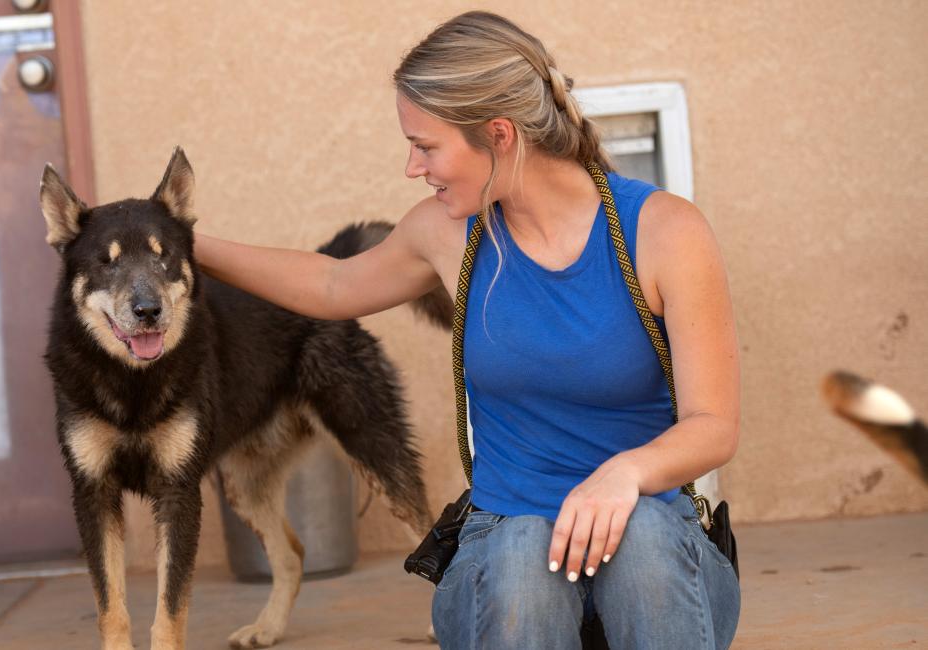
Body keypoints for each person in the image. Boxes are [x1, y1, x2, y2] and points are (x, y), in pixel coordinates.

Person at [194, 10, 740, 649]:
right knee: (523, 552)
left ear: (500, 134)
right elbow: (333, 286)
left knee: (643, 535)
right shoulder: (448, 232)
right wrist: (183, 242)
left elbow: (714, 424)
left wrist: (625, 474)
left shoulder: (664, 232)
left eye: (425, 146)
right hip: (507, 558)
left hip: (656, 562)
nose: (411, 167)